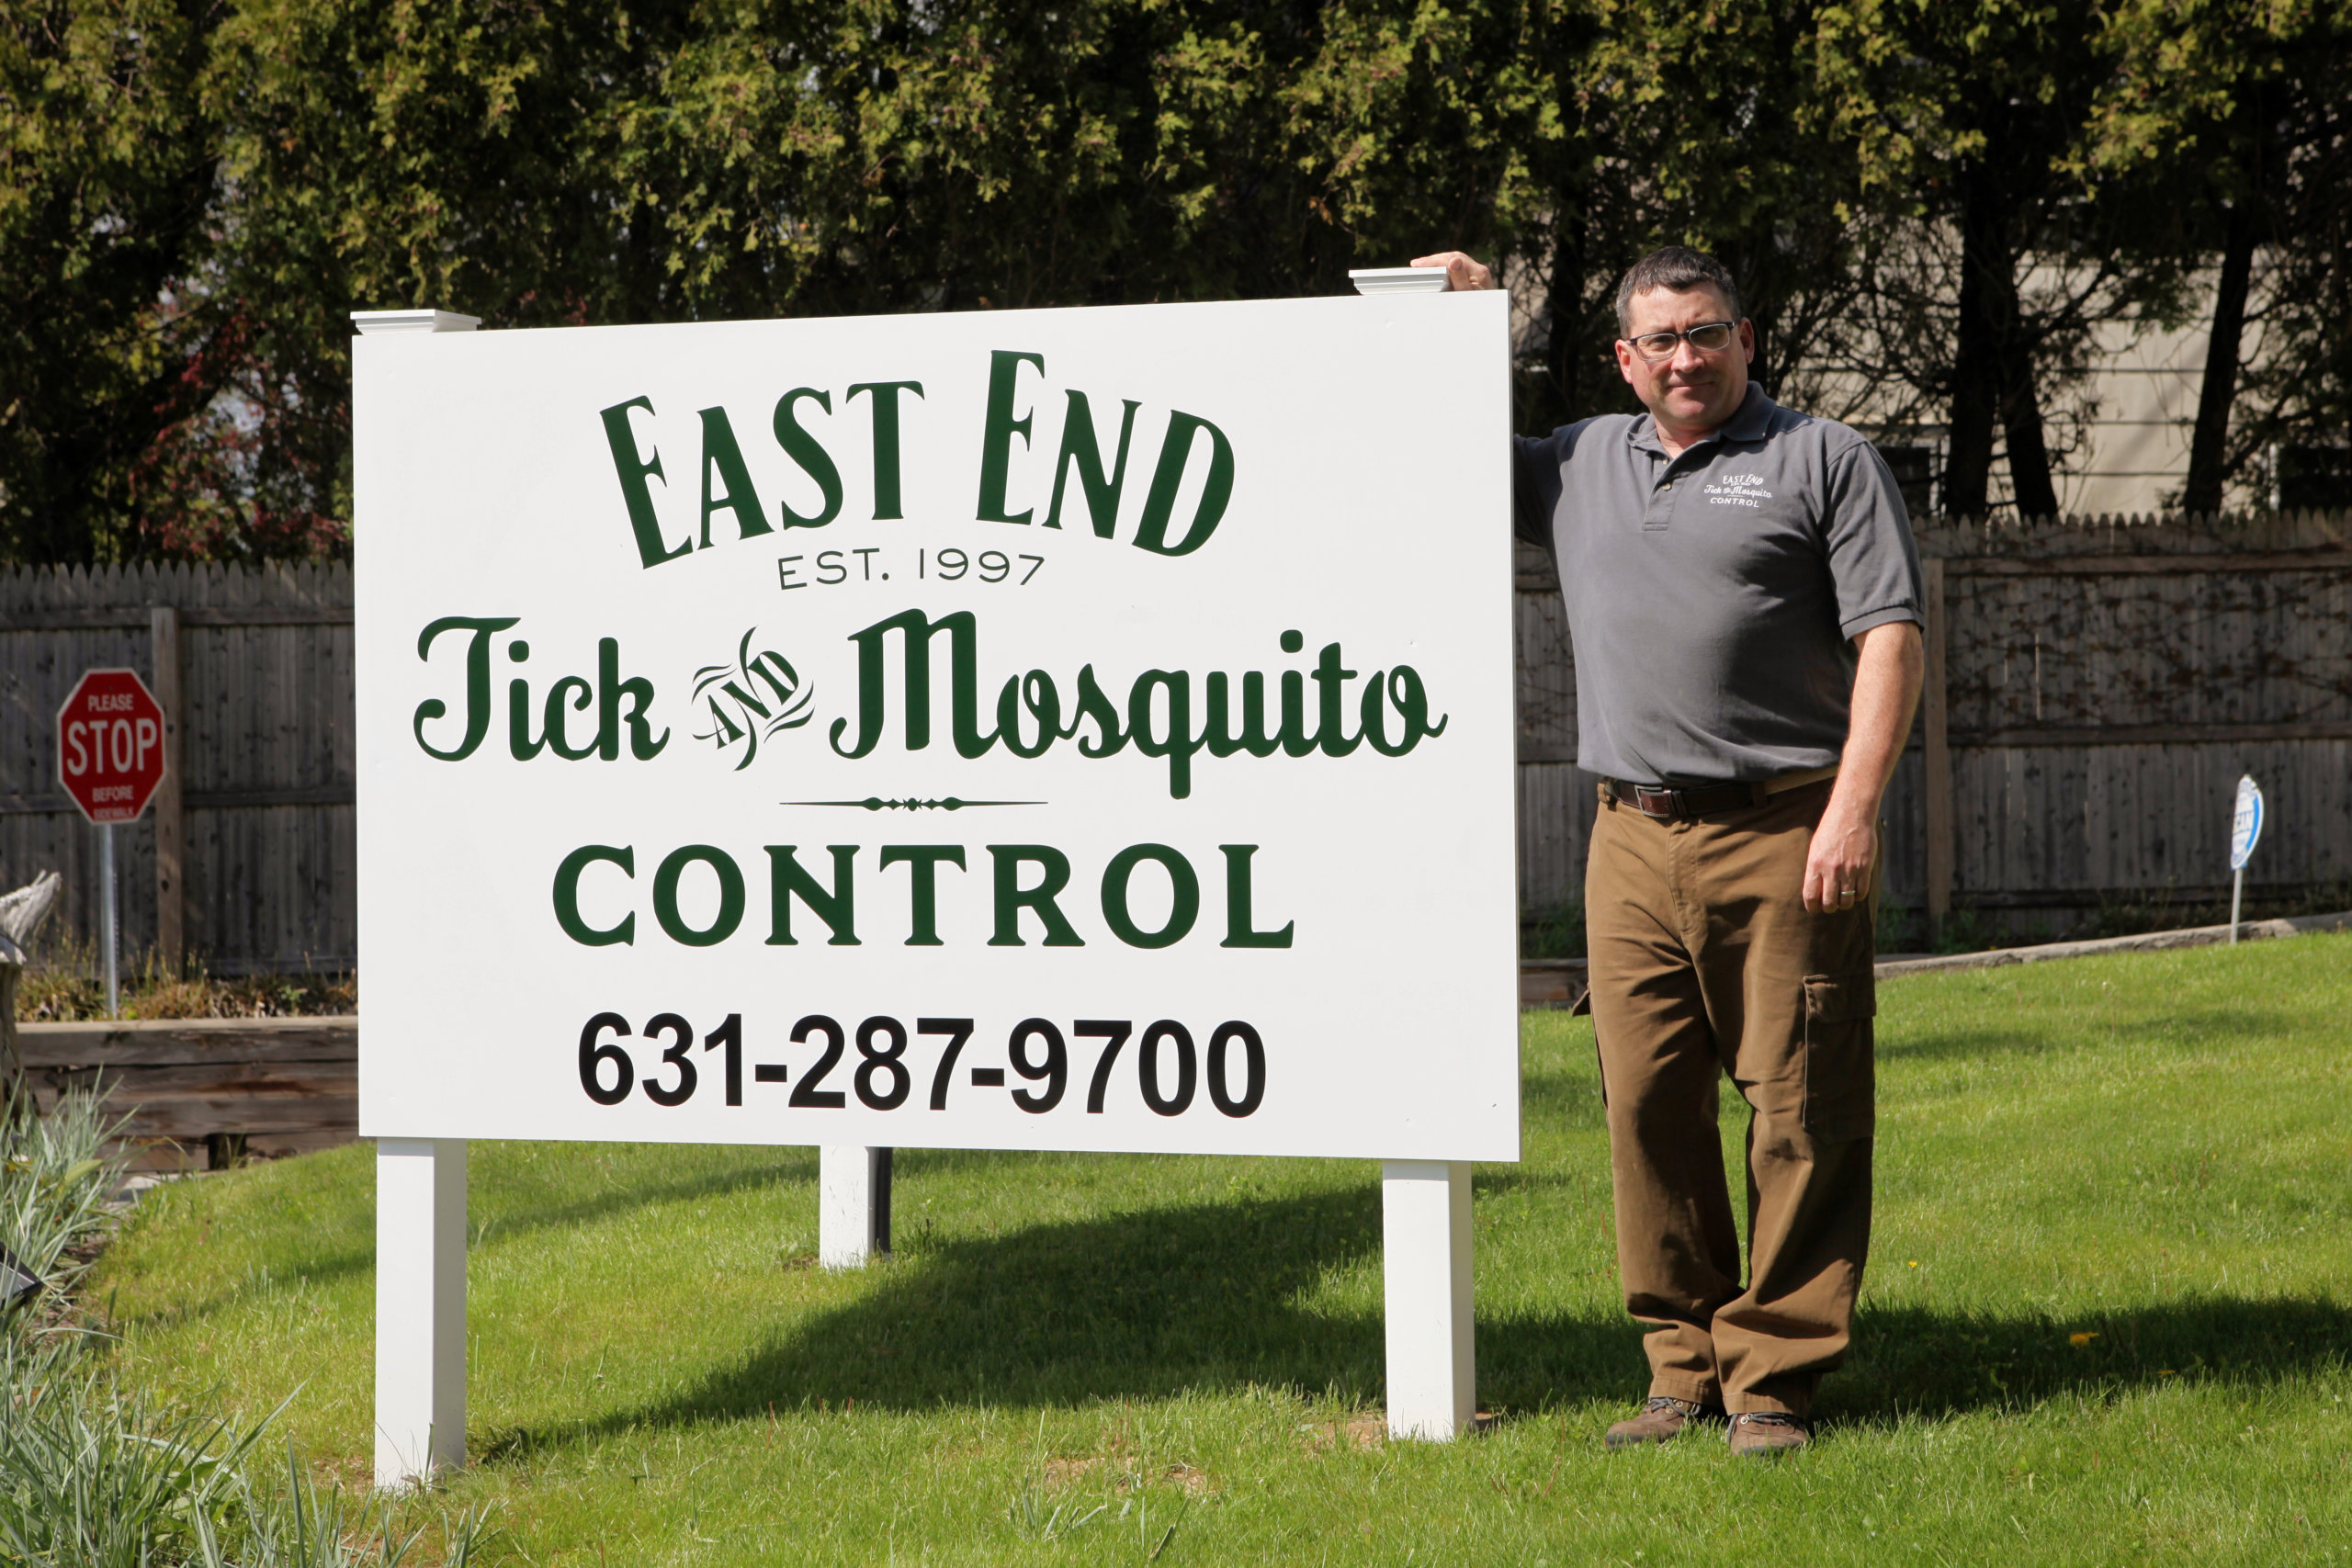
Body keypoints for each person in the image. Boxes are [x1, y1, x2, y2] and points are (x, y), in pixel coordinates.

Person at [1413, 244, 1925, 1457]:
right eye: (1663, 341)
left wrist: (1853, 810)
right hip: (1629, 836)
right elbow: (1434, 450)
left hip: (1785, 826)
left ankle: (1775, 1379)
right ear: (1625, 359)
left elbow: (1892, 640)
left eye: (1708, 333)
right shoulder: (1581, 460)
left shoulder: (1822, 460)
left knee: (1798, 1104)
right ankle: (1681, 1365)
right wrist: (1469, 327)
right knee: (1645, 1102)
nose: (1687, 358)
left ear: (1747, 338)